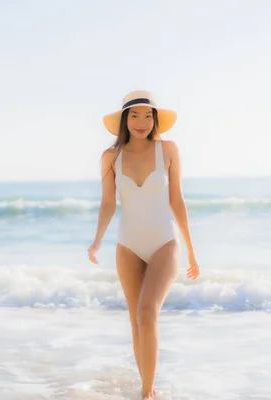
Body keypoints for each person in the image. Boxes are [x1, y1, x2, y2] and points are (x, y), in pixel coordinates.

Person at [87, 90, 200, 399]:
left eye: (148, 115)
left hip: (165, 242)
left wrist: (190, 250)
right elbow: (108, 203)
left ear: (155, 119)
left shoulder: (169, 150)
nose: (141, 122)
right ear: (125, 120)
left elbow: (177, 201)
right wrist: (96, 241)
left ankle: (147, 393)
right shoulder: (111, 157)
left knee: (147, 312)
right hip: (128, 246)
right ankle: (146, 388)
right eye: (134, 115)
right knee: (136, 321)